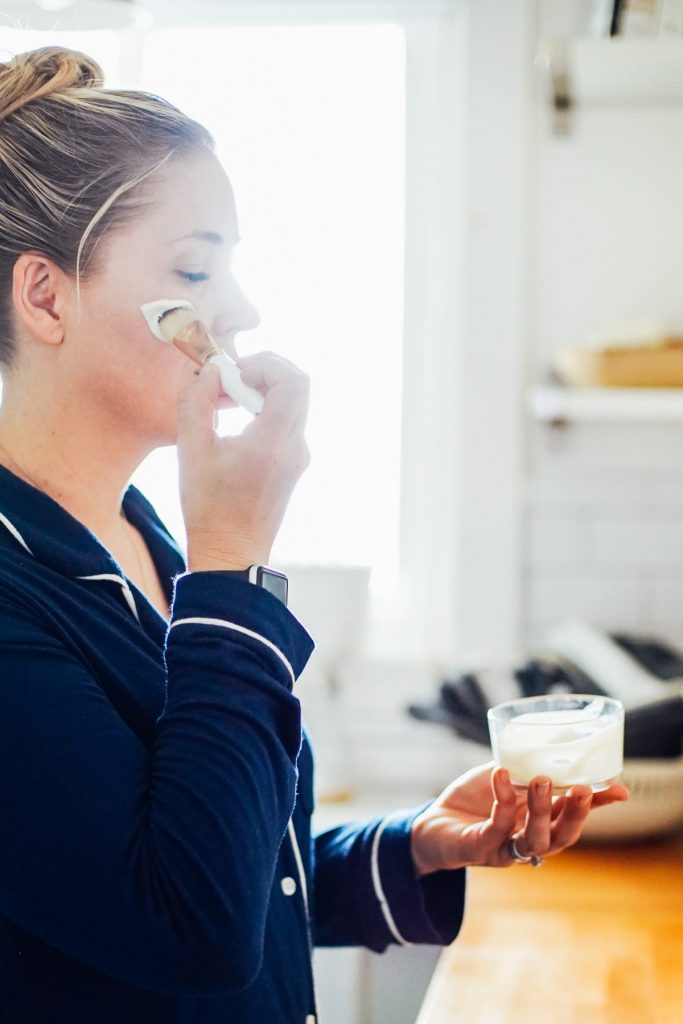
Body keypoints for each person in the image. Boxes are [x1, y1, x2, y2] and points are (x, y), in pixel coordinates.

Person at [0, 46, 628, 1023]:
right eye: (196, 267)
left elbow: (223, 857)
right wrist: (233, 564)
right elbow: (186, 925)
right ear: (46, 297)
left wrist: (411, 845)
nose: (240, 310)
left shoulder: (141, 539)